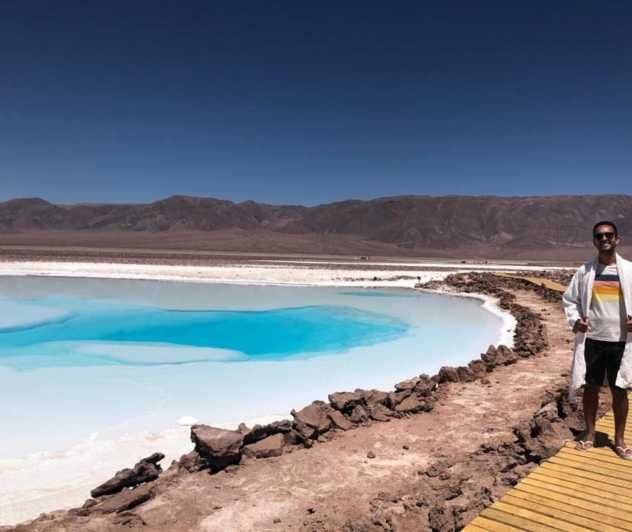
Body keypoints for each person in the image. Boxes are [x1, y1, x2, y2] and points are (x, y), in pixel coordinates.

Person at [563, 221, 632, 459]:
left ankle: (620, 440)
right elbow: (569, 300)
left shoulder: (630, 271)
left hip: (621, 341)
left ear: (617, 239)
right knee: (590, 388)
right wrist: (575, 321)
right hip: (592, 339)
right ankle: (590, 434)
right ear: (594, 240)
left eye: (609, 235)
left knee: (620, 390)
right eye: (599, 236)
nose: (604, 239)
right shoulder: (584, 271)